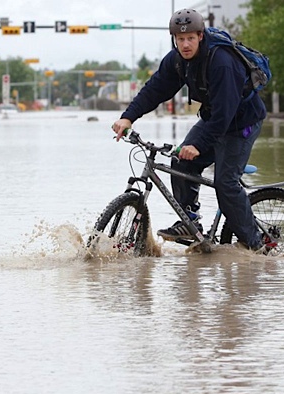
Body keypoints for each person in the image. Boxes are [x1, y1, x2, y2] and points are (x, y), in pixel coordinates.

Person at [112, 8, 267, 251]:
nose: (185, 44)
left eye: (190, 38)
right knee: (180, 161)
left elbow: (225, 114)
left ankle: (256, 246)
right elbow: (155, 89)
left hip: (241, 123)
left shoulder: (221, 62)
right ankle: (190, 221)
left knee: (225, 183)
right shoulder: (176, 61)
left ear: (200, 36)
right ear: (174, 39)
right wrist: (127, 117)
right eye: (180, 39)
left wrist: (198, 145)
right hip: (214, 118)